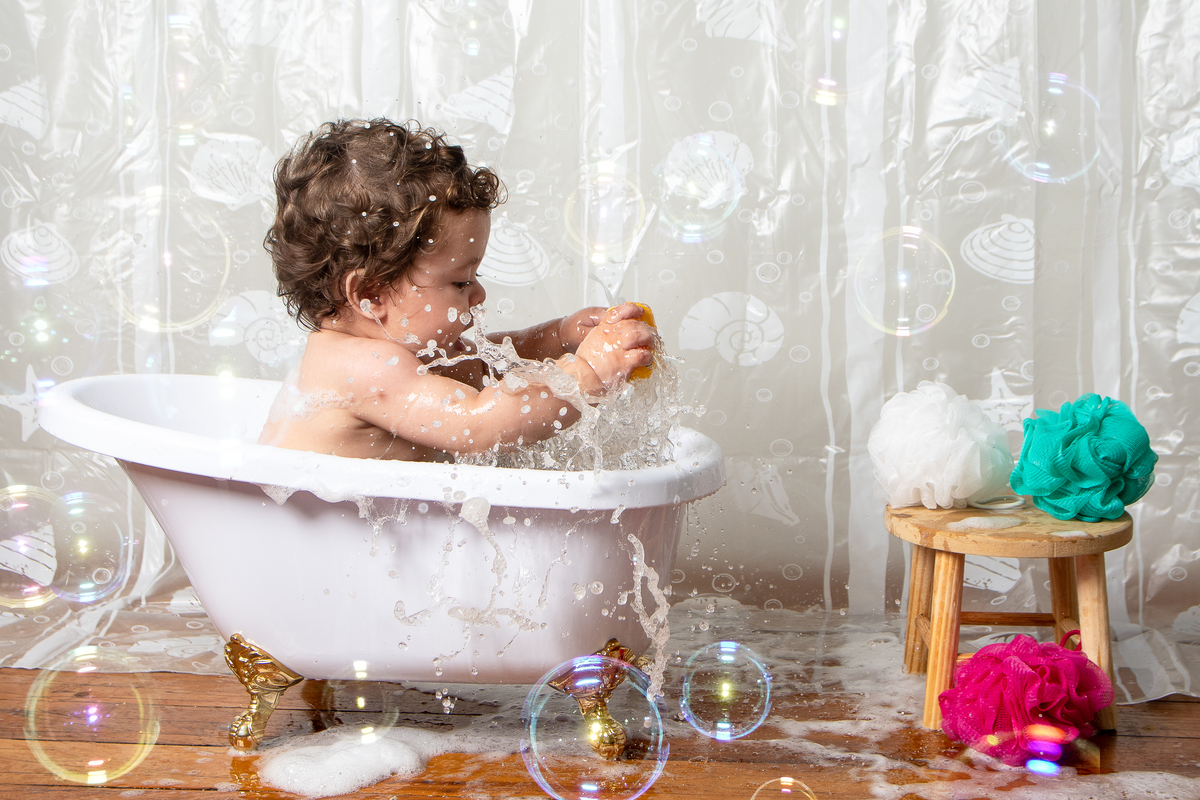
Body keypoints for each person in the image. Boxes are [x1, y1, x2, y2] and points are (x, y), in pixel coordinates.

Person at [257, 118, 655, 461]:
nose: (478, 295)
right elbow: (476, 424)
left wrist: (561, 336)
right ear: (372, 294)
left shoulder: (402, 349)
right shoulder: (360, 367)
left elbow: (486, 365)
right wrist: (585, 375)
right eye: (461, 281)